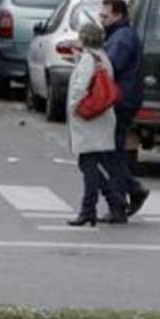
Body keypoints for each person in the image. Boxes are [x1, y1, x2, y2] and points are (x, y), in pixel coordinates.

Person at [66, 23, 127, 226]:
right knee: (93, 164)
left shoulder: (87, 59)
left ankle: (88, 209)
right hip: (102, 117)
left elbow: (79, 88)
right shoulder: (102, 57)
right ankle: (116, 203)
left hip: (88, 118)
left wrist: (73, 108)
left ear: (84, 39)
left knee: (89, 165)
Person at [100, 0, 151, 217]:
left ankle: (121, 200)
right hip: (123, 98)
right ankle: (131, 190)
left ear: (118, 15)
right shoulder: (119, 34)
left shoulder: (121, 38)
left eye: (105, 16)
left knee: (112, 152)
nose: (101, 20)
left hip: (120, 100)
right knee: (114, 151)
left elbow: (110, 67)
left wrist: (90, 57)